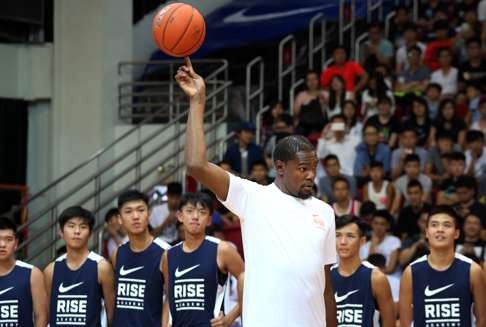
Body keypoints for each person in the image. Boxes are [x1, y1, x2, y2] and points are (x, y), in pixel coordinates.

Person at [177, 57, 337, 326]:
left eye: (314, 167)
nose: (311, 174)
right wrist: (197, 102)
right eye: (303, 168)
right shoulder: (253, 197)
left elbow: (326, 289)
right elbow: (196, 165)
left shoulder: (325, 212)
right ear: (280, 168)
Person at [163, 192, 244, 327]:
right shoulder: (168, 255)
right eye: (189, 211)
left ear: (209, 219)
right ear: (180, 216)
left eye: (202, 212)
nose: (195, 217)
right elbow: (169, 297)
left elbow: (248, 281)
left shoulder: (222, 250)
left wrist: (231, 317)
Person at [399, 206, 486, 326]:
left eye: (447, 225)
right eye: (434, 225)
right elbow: (405, 323)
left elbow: (482, 320)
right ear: (427, 233)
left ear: (456, 233)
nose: (440, 229)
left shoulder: (473, 270)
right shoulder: (411, 272)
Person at [44, 206, 115, 327]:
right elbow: (46, 313)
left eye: (83, 227)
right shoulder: (51, 270)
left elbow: (112, 314)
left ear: (90, 233)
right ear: (61, 232)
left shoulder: (101, 267)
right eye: (71, 226)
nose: (77, 231)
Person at [111, 190, 171, 327]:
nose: (135, 216)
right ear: (120, 219)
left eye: (140, 210)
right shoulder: (117, 254)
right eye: (128, 211)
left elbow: (171, 297)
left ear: (149, 214)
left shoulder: (165, 252)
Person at [331, 215, 395, 327]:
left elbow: (389, 323)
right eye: (338, 236)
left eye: (350, 236)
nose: (343, 242)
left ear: (362, 241)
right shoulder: (325, 277)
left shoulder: (376, 277)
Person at [0, 217, 47, 326]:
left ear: (16, 243)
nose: (2, 244)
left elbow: (41, 315)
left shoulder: (32, 273)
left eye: (8, 239)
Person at [359, 210, 401, 275]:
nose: (378, 227)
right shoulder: (364, 246)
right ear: (372, 224)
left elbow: (390, 269)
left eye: (382, 224)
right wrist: (373, 245)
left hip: (389, 277)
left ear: (388, 226)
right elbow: (366, 267)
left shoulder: (394, 241)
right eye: (376, 223)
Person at [293, 71, 327, 136]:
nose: (312, 82)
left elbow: (327, 113)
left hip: (320, 125)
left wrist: (323, 100)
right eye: (309, 80)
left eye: (314, 79)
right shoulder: (301, 95)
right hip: (304, 126)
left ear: (318, 80)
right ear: (306, 82)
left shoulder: (325, 94)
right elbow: (296, 114)